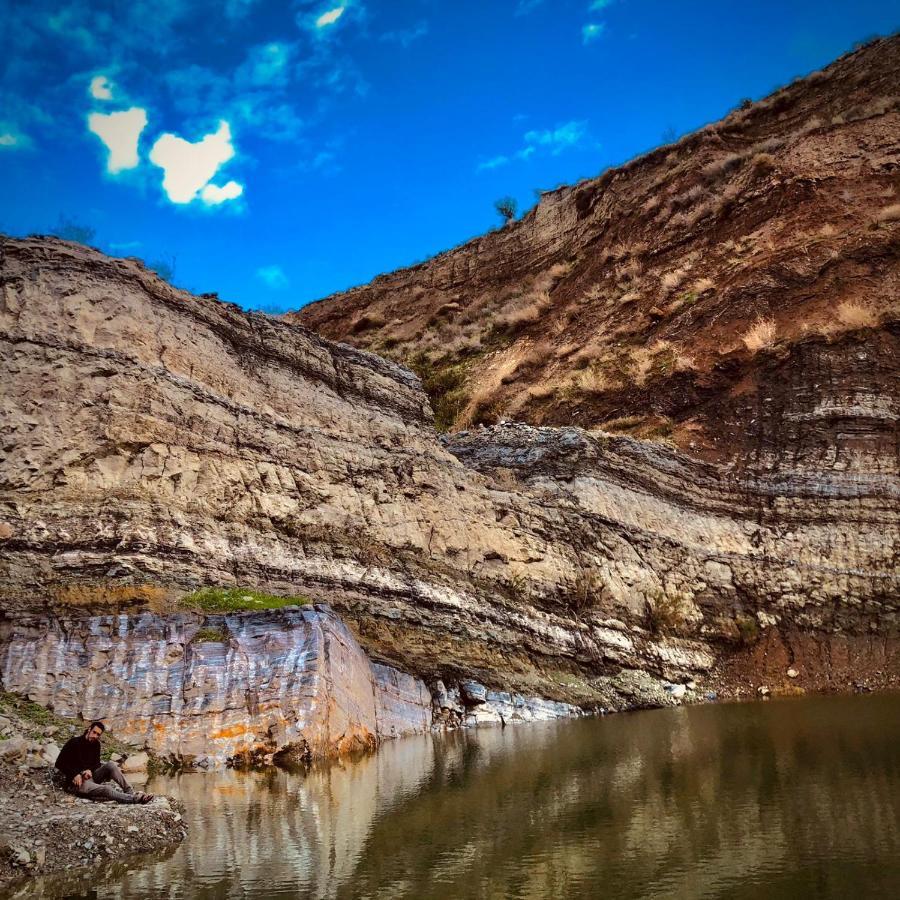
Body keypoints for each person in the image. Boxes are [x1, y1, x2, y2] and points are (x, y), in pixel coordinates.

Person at [54, 721, 153, 804]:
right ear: (89, 729)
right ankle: (134, 799)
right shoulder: (74, 743)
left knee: (111, 765)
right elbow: (59, 763)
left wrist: (89, 770)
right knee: (106, 789)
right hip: (76, 784)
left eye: (98, 734)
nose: (95, 736)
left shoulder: (96, 744)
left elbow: (96, 764)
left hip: (90, 778)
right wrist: (75, 774)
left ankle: (129, 791)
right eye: (94, 732)